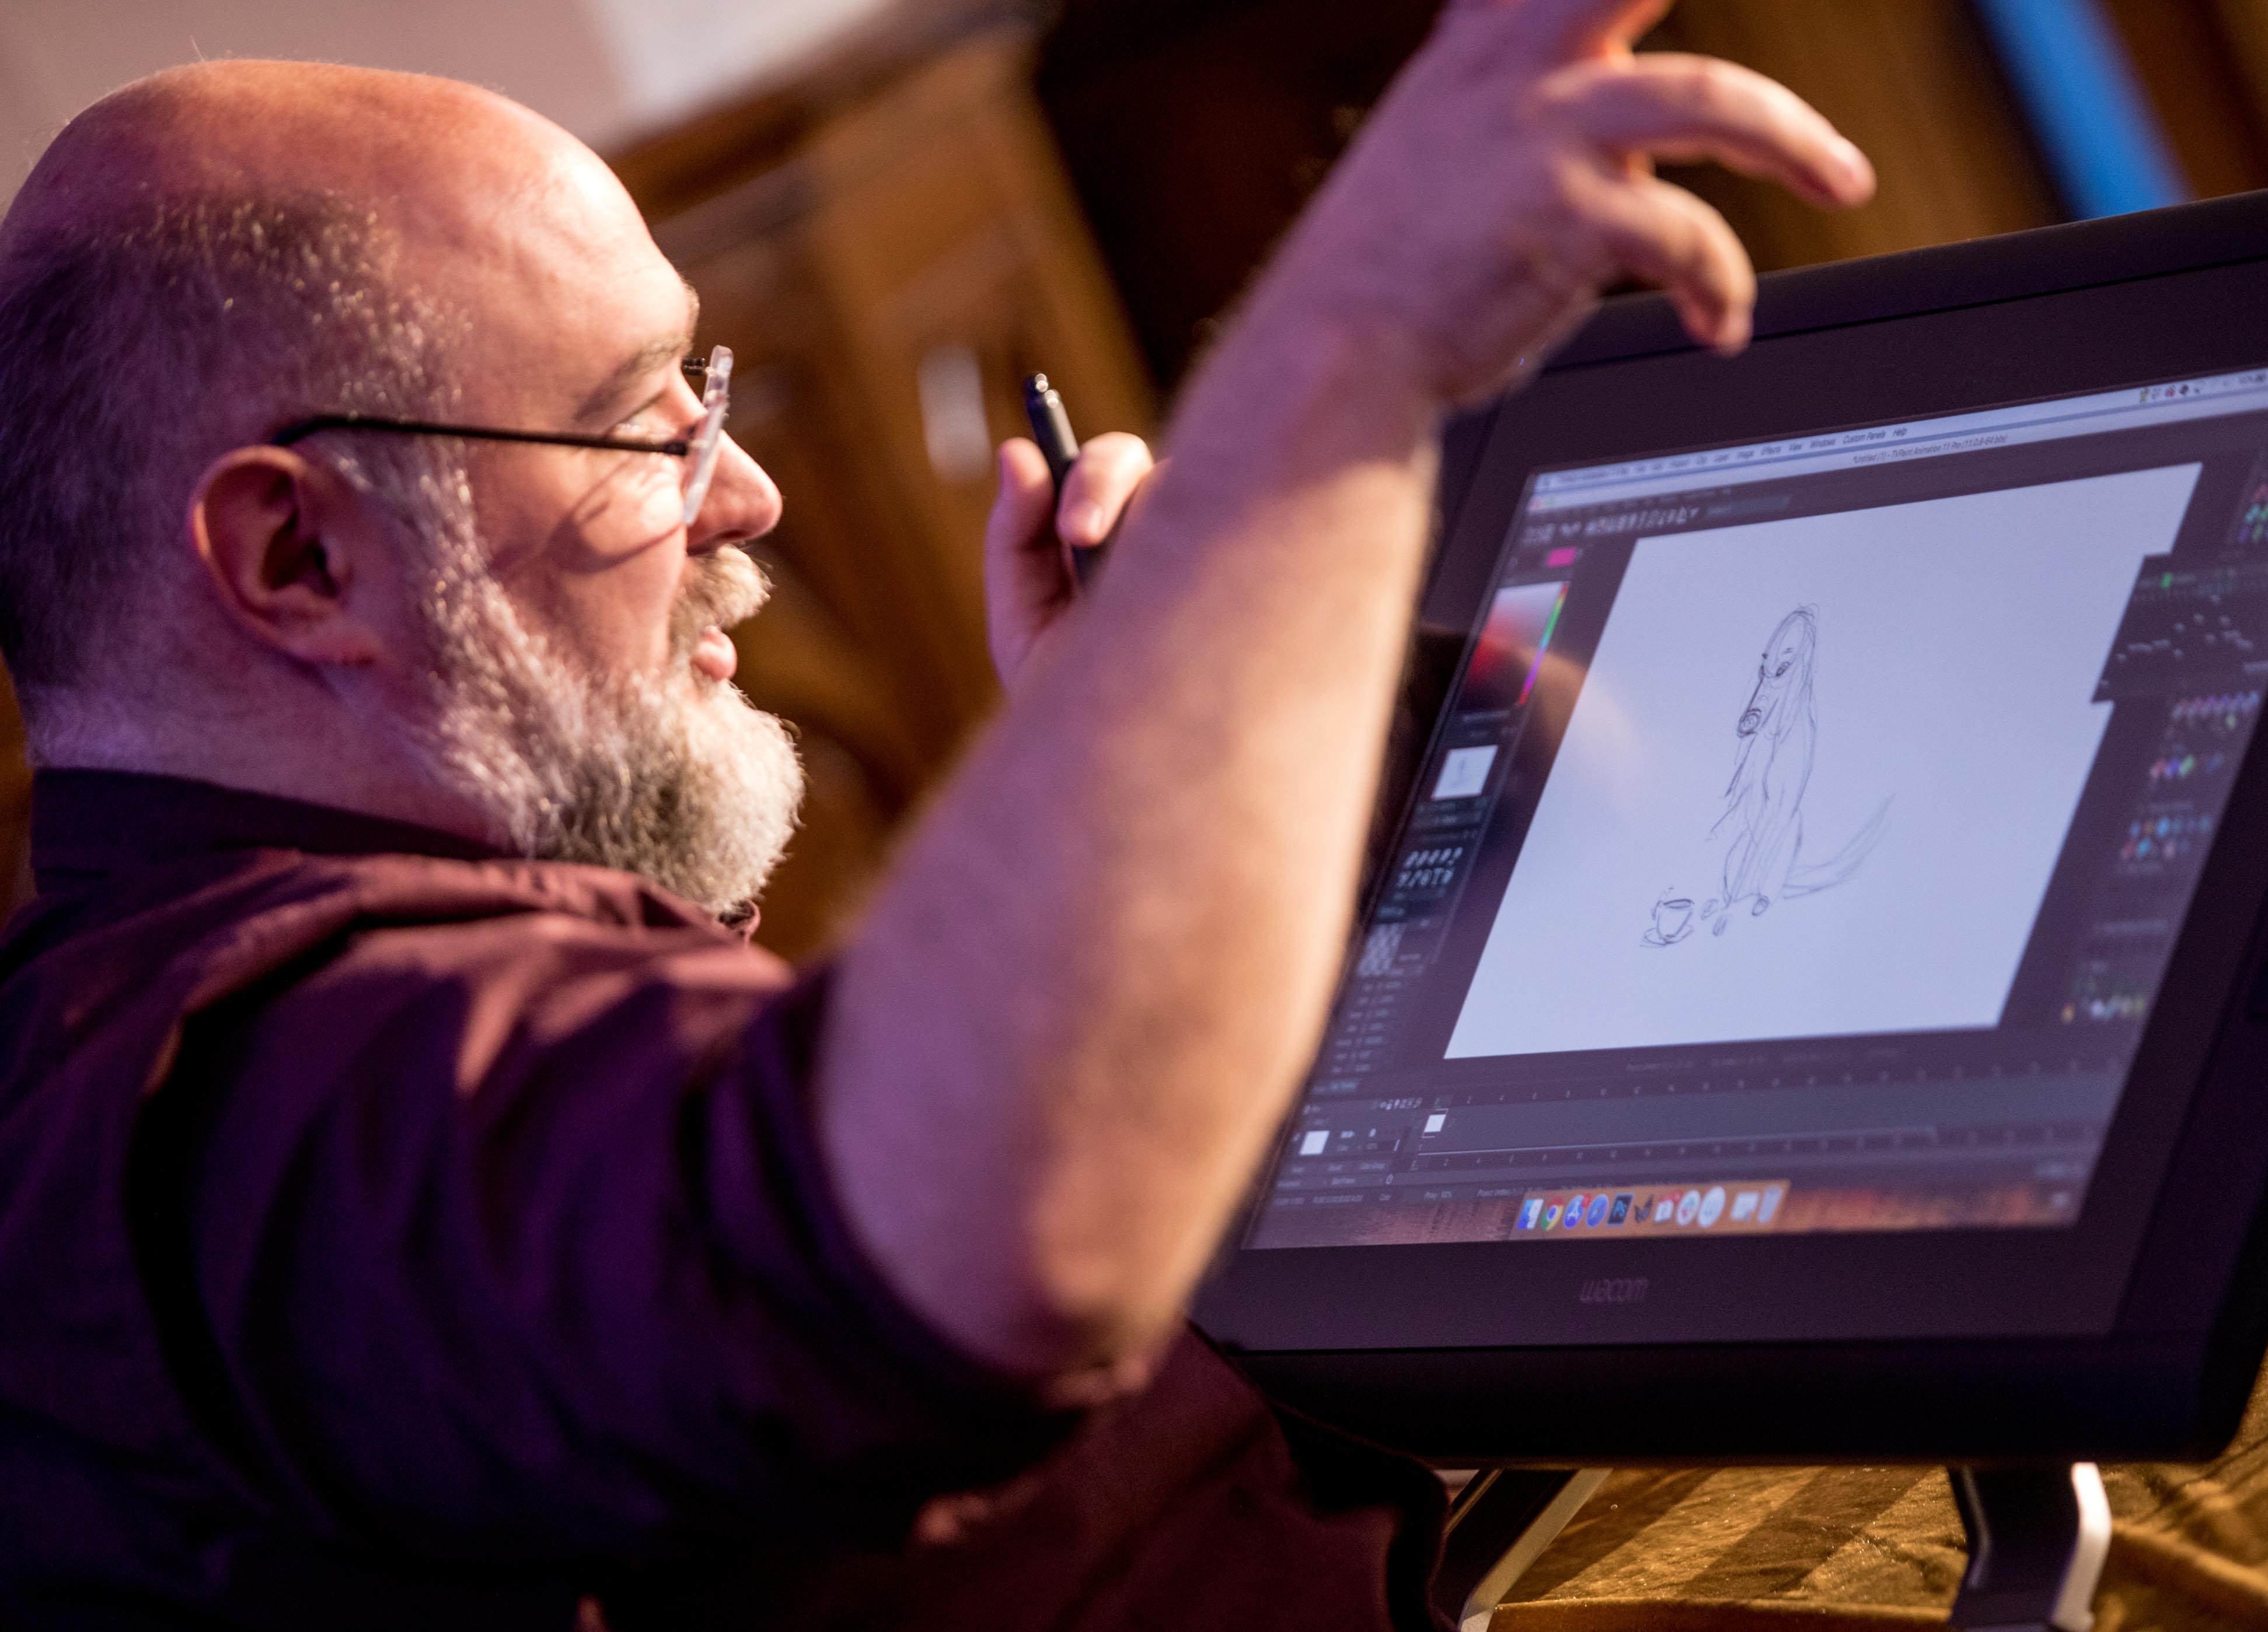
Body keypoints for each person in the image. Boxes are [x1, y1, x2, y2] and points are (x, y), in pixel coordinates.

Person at [0, 0, 1872, 1624]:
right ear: (300, 556)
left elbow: (1582, 837)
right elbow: (925, 1245)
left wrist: (1149, 759)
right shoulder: (260, 1100)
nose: (745, 496)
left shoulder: (377, 997)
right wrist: (1339, 360)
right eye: (644, 428)